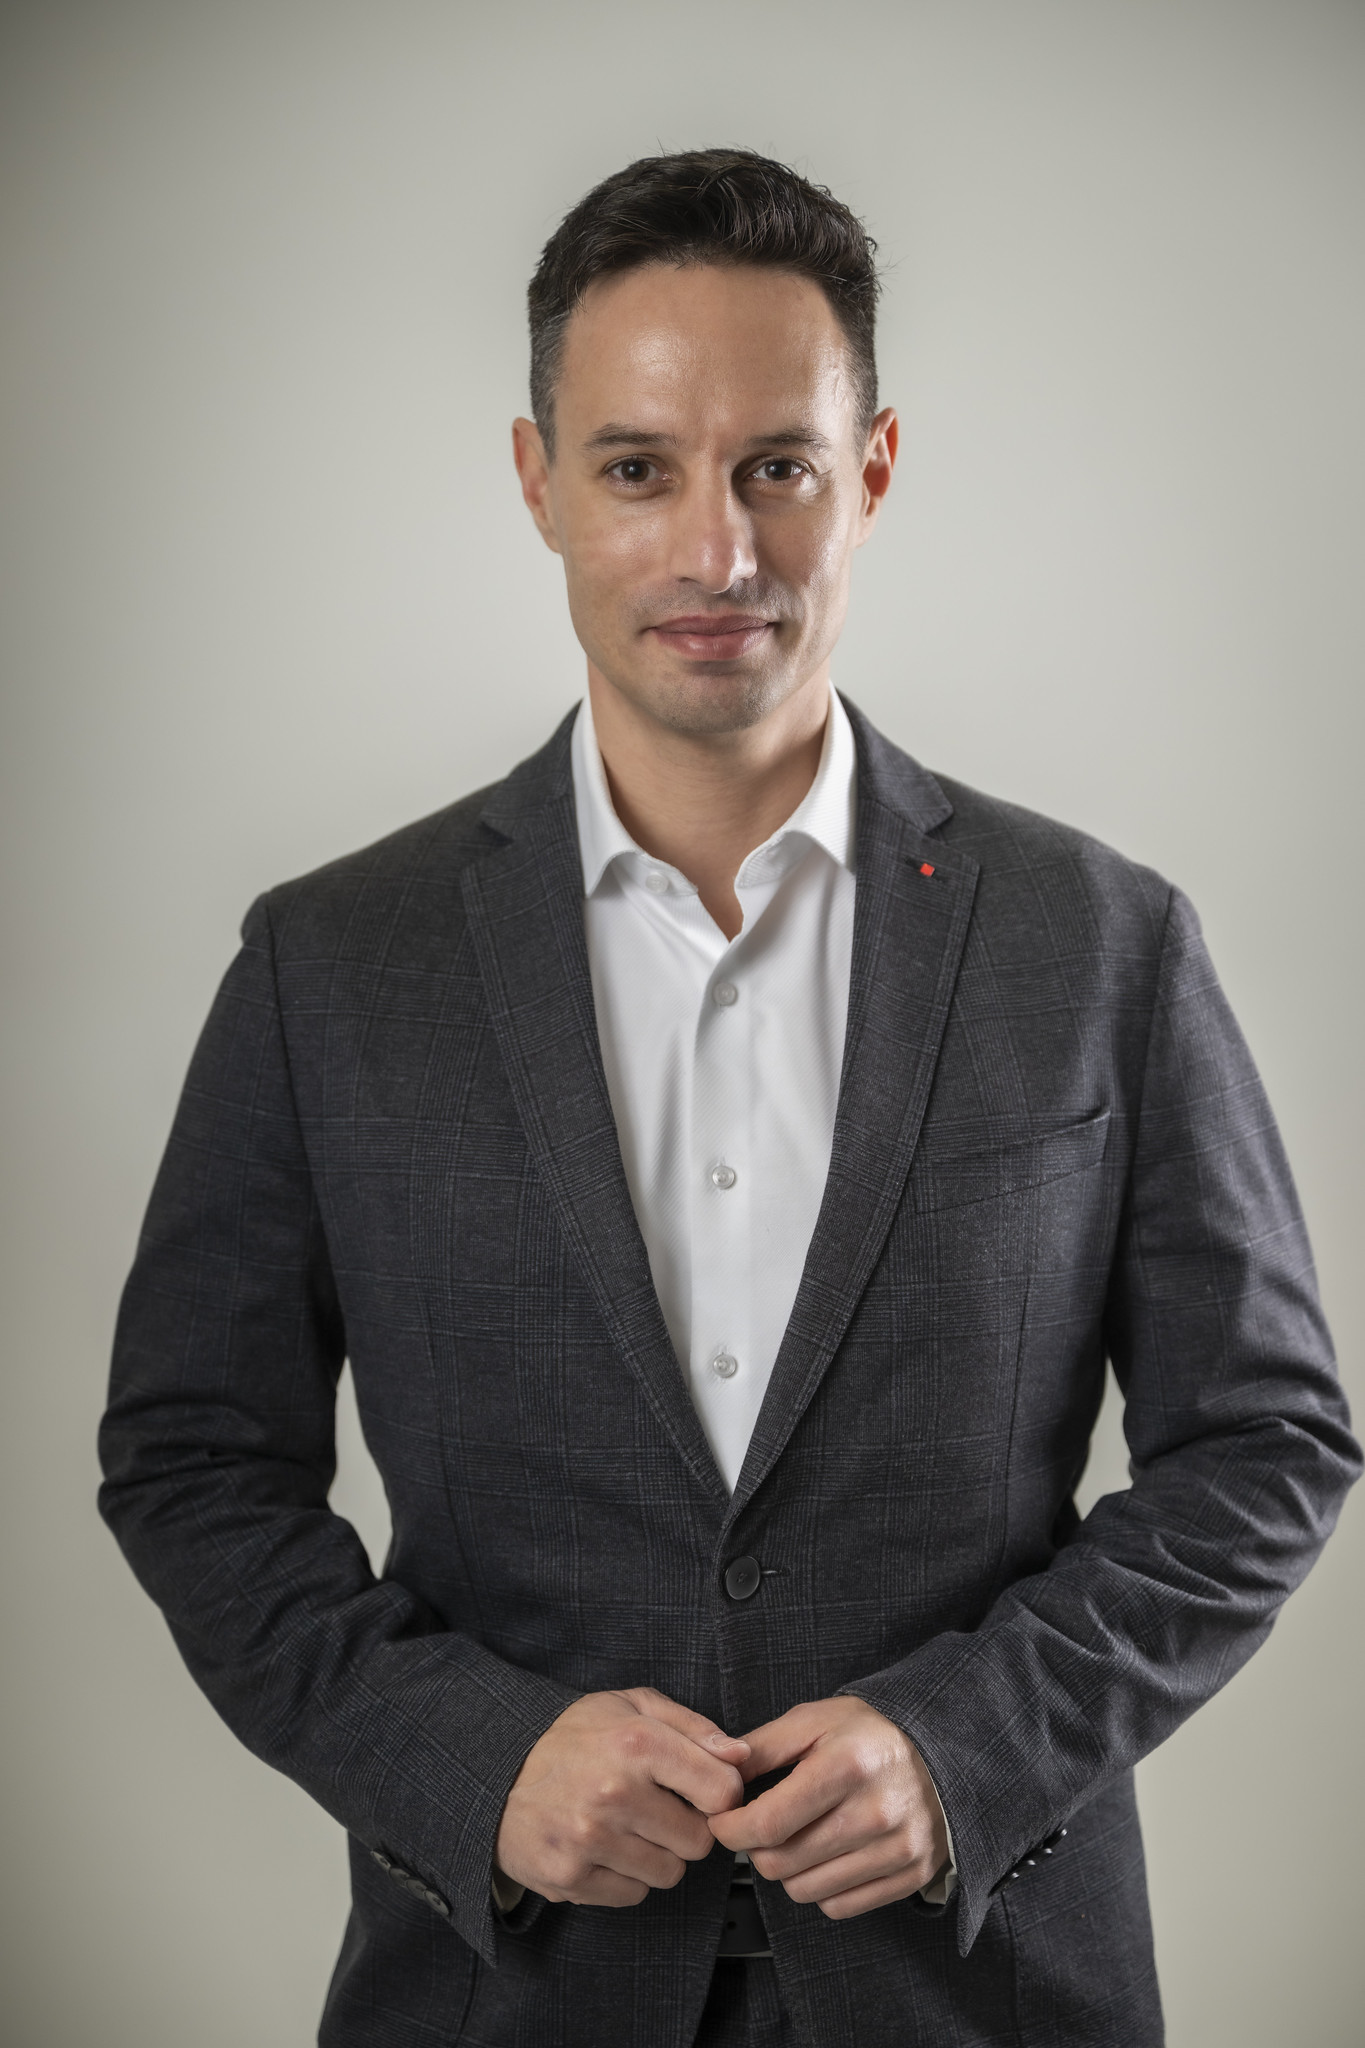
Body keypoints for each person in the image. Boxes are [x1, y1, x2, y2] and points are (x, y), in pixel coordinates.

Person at [99, 148, 1359, 2048]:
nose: (717, 551)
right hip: (507, 1993)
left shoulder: (1103, 941)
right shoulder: (327, 964)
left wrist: (966, 1745)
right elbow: (193, 1460)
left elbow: (1263, 1443)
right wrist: (468, 1755)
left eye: (777, 464)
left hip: (986, 1991)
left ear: (873, 472)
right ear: (536, 481)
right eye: (636, 468)